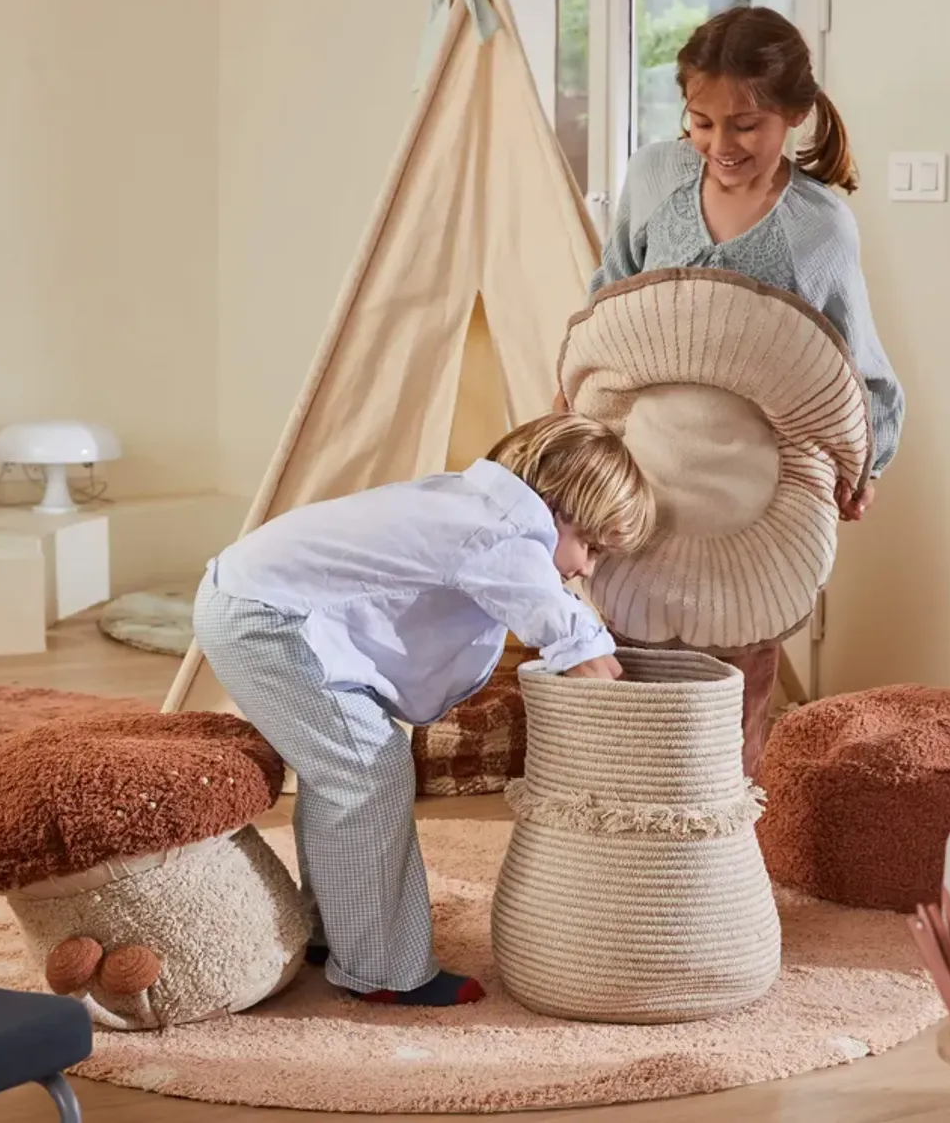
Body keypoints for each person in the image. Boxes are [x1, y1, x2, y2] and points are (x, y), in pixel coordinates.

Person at [193, 413, 657, 1008]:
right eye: (590, 545)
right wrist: (640, 721)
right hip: (268, 620)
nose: (587, 567)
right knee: (368, 772)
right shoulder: (501, 533)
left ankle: (332, 927)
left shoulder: (467, 506)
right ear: (555, 507)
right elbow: (570, 636)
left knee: (344, 770)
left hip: (254, 602)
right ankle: (382, 968)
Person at [582, 5, 906, 777]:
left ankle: (722, 850)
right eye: (701, 122)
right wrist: (579, 406)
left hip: (752, 485)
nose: (720, 146)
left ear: (794, 115)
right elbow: (612, 294)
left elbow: (855, 366)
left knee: (736, 670)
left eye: (745, 126)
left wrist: (867, 467)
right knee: (628, 642)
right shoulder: (657, 176)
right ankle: (630, 842)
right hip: (648, 468)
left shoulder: (818, 227)